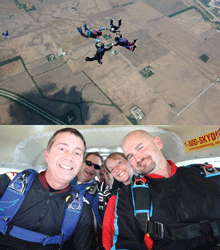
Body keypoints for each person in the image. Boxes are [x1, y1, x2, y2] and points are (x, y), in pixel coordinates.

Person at [103, 130, 220, 250]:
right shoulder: (128, 195)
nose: (138, 158)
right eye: (131, 156)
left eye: (140, 148)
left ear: (158, 143)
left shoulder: (206, 174)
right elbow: (125, 244)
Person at [0, 128, 96, 250]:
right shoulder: (9, 183)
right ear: (47, 155)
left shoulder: (82, 209)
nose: (70, 157)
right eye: (62, 149)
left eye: (77, 153)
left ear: (80, 163)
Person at [71, 152, 103, 225]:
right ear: (81, 163)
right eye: (88, 163)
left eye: (97, 167)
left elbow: (96, 219)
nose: (91, 168)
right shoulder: (65, 180)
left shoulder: (98, 192)